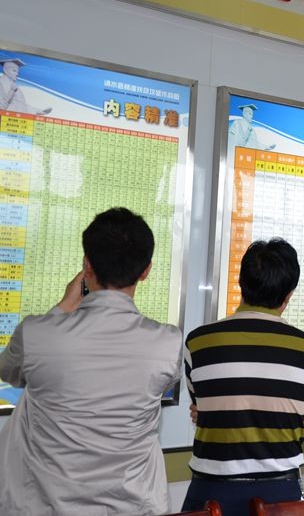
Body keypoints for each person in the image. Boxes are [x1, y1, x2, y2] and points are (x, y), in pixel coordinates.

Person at [0, 207, 181, 515]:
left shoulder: (36, 334)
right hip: (133, 508)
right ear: (146, 270)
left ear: (86, 265)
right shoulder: (168, 343)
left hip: (45, 507)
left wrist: (63, 307)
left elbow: (8, 371)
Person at [181, 238, 304, 515]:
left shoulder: (198, 343)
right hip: (281, 494)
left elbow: (200, 407)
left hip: (211, 494)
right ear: (289, 294)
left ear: (240, 282)